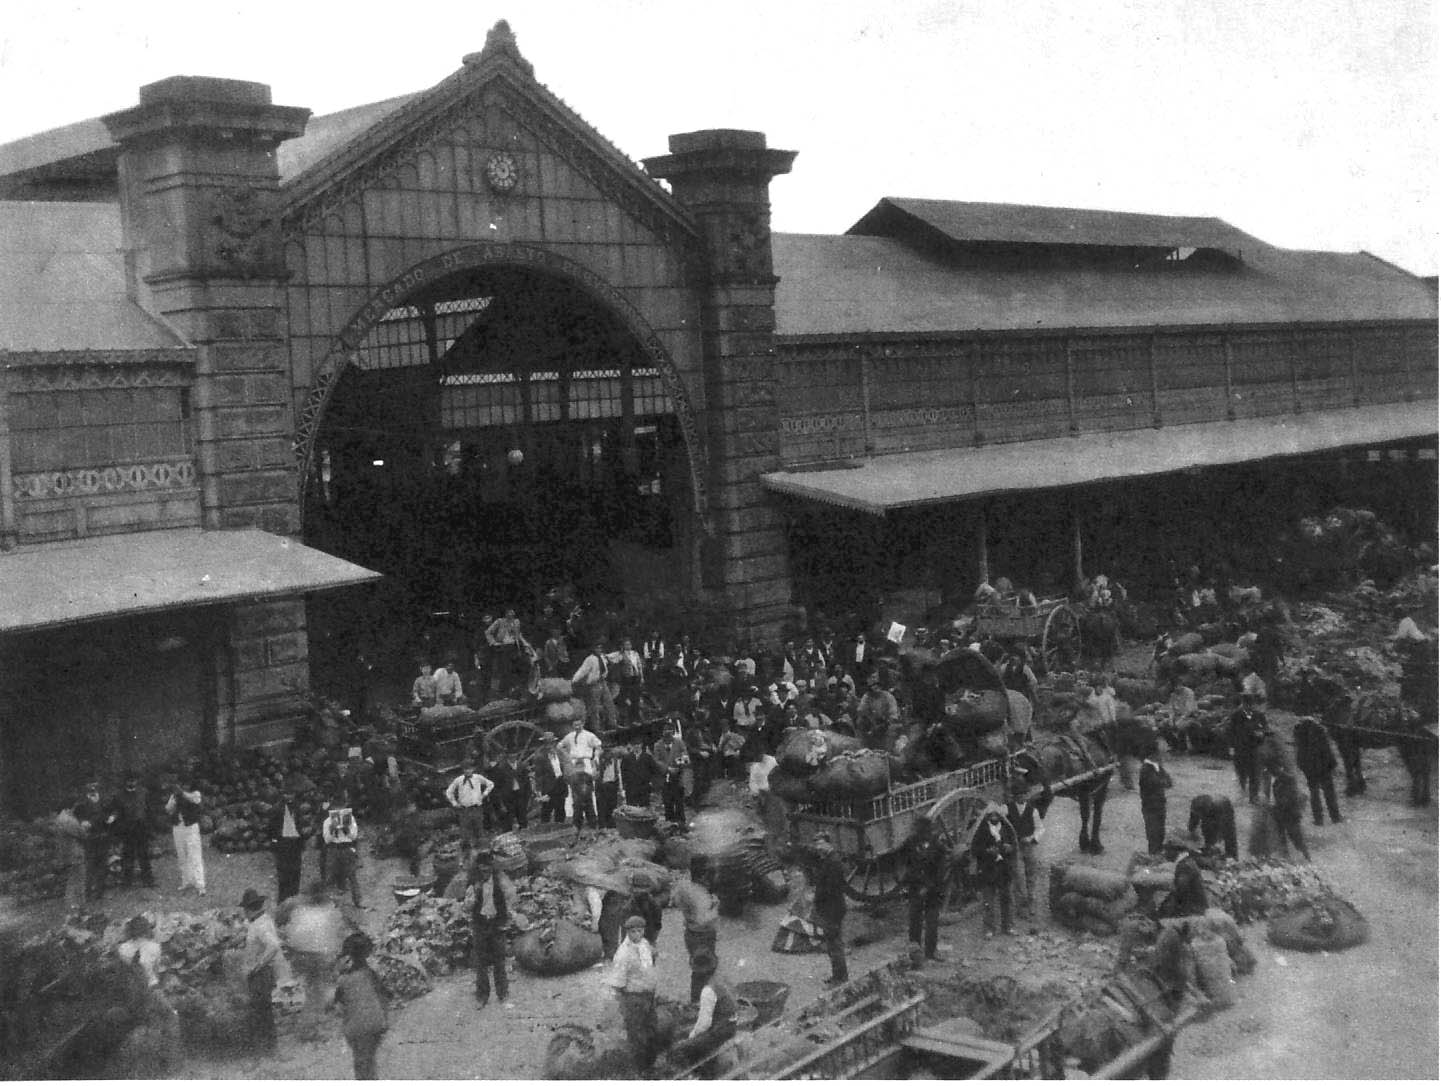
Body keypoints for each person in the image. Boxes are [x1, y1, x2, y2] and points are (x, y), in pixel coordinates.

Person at [279, 881, 345, 1041]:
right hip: (318, 954)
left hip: (298, 951)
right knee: (316, 992)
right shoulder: (329, 910)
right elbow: (336, 933)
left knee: (302, 985)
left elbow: (280, 916)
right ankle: (309, 1029)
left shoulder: (297, 905)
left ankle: (293, 1017)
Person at [331, 932, 389, 1079]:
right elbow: (385, 995)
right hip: (377, 1022)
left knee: (361, 1063)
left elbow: (335, 1002)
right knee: (369, 1061)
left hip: (356, 1027)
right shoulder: (371, 974)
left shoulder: (344, 980)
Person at [668, 948, 738, 1070]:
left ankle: (694, 1073)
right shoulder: (720, 978)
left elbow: (704, 1024)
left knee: (678, 1048)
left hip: (721, 1031)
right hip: (731, 1022)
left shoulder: (708, 990)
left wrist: (690, 1037)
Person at [609, 914, 660, 1070]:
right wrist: (624, 1002)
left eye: (640, 931)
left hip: (648, 996)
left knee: (651, 1029)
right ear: (627, 933)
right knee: (637, 1036)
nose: (637, 935)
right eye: (633, 932)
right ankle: (640, 1070)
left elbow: (652, 956)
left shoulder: (644, 944)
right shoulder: (623, 954)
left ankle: (652, 1064)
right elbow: (617, 982)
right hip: (634, 998)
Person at [899, 814, 951, 961]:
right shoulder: (910, 843)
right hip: (915, 888)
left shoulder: (937, 846)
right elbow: (905, 864)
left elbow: (941, 871)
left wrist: (928, 886)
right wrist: (910, 882)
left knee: (932, 922)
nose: (922, 834)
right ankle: (915, 952)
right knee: (914, 921)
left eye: (924, 831)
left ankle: (931, 952)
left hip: (932, 891)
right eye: (919, 830)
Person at [466, 850, 514, 1009]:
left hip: (497, 924)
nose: (485, 872)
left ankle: (503, 996)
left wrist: (508, 914)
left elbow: (511, 896)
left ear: (492, 867)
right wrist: (472, 896)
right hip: (480, 924)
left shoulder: (500, 881)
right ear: (478, 868)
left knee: (500, 962)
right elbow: (467, 906)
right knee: (481, 963)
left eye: (487, 868)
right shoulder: (473, 883)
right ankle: (482, 997)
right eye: (482, 869)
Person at [670, 861, 720, 1002]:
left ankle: (698, 1000)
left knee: (699, 968)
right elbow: (703, 919)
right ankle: (699, 1002)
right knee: (704, 970)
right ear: (703, 875)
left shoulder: (684, 887)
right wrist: (715, 906)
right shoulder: (700, 895)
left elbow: (675, 900)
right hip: (702, 935)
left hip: (690, 933)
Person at [240, 888, 282, 1054]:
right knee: (265, 1011)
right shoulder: (263, 920)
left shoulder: (259, 926)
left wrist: (258, 965)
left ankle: (264, 1049)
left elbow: (274, 945)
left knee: (260, 1012)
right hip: (264, 973)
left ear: (248, 909)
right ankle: (270, 1047)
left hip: (260, 974)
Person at [1005, 779, 1054, 921]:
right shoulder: (1007, 808)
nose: (1021, 797)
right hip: (1015, 848)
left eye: (1023, 794)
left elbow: (1040, 828)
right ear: (1014, 796)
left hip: (1029, 847)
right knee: (1019, 877)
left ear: (1027, 795)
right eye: (1018, 795)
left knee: (1031, 876)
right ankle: (1021, 908)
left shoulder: (1033, 811)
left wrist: (1032, 838)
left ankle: (1031, 904)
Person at [809, 832, 849, 985]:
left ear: (828, 843)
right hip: (830, 907)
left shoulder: (833, 862)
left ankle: (841, 977)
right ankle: (837, 975)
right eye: (816, 844)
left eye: (820, 844)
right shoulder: (828, 860)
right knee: (832, 944)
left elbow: (830, 888)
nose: (818, 847)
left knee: (835, 945)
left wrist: (817, 897)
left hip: (833, 908)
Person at [970, 808, 1015, 937]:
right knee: (989, 900)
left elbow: (1014, 845)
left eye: (996, 815)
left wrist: (1009, 848)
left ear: (1001, 816)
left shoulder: (1006, 828)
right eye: (991, 815)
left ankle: (1008, 926)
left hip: (1004, 868)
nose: (994, 817)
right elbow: (974, 849)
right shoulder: (982, 831)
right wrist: (987, 852)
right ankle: (989, 928)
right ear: (987, 817)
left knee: (1007, 897)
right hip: (988, 868)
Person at [1293, 715, 1344, 826]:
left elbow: (1298, 752)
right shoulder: (1320, 730)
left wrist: (1302, 766)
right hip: (1323, 765)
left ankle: (1318, 819)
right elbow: (1327, 750)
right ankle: (1335, 817)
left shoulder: (1298, 731)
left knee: (1314, 793)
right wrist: (1333, 764)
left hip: (1309, 767)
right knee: (1329, 792)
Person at [109, 776, 155, 890]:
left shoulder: (143, 792)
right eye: (129, 780)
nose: (132, 782)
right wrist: (113, 818)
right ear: (125, 781)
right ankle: (127, 882)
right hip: (128, 830)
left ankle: (148, 881)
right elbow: (116, 811)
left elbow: (148, 810)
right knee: (128, 856)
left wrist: (150, 827)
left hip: (142, 828)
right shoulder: (119, 796)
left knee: (144, 855)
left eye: (134, 780)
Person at [165, 775, 206, 896]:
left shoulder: (195, 793)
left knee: (195, 855)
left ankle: (200, 885)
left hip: (191, 827)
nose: (183, 786)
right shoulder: (175, 795)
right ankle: (186, 881)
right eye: (182, 785)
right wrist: (173, 802)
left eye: (185, 785)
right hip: (178, 827)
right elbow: (168, 809)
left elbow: (195, 800)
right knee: (182, 855)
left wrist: (182, 793)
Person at [267, 787, 308, 903]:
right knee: (284, 874)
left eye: (291, 794)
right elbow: (271, 829)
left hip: (295, 844)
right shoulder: (276, 809)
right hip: (283, 844)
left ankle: (294, 898)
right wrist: (275, 843)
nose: (289, 796)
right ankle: (283, 900)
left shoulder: (297, 807)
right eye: (287, 794)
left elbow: (300, 825)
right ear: (282, 794)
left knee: (296, 872)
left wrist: (302, 842)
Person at [445, 761, 493, 859]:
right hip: (464, 810)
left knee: (479, 829)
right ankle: (467, 855)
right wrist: (454, 803)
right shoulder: (459, 780)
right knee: (465, 831)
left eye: (469, 769)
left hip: (477, 808)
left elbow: (490, 784)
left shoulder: (478, 778)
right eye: (465, 769)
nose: (468, 771)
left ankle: (481, 855)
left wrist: (484, 794)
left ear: (473, 769)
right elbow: (449, 792)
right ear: (463, 770)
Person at [1227, 692, 1269, 804]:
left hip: (1255, 748)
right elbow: (1230, 732)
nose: (1250, 706)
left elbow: (1266, 729)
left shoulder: (1259, 715)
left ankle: (1253, 797)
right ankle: (1241, 794)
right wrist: (1231, 748)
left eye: (1252, 704)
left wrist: (1262, 734)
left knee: (1255, 773)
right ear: (1243, 704)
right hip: (1240, 748)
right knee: (1241, 773)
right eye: (1247, 704)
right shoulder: (1236, 715)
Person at [321, 801, 365, 908]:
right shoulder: (327, 822)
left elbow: (353, 836)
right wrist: (332, 829)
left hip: (347, 848)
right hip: (334, 849)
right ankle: (331, 902)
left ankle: (357, 900)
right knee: (331, 876)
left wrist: (346, 829)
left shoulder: (351, 819)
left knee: (351, 875)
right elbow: (327, 840)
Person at [73, 782, 110, 902]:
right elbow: (76, 818)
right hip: (90, 839)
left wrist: (112, 817)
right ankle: (87, 894)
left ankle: (99, 893)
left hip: (103, 838)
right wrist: (82, 822)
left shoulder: (103, 804)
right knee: (90, 867)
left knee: (102, 867)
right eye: (90, 793)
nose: (93, 795)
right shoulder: (81, 806)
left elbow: (109, 815)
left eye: (95, 792)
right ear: (86, 794)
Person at [572, 639, 618, 732]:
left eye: (600, 648)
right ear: (593, 649)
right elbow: (582, 670)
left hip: (603, 682)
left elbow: (614, 656)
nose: (599, 649)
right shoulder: (590, 659)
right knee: (594, 706)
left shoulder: (603, 657)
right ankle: (596, 728)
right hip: (594, 684)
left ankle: (612, 723)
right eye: (597, 648)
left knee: (609, 703)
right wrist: (574, 680)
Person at [1139, 745, 1173, 855]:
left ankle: (1156, 853)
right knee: (1153, 833)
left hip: (1159, 804)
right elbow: (1158, 783)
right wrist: (1162, 781)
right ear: (1155, 755)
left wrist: (1162, 781)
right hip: (1150, 806)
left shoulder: (1157, 767)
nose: (1163, 756)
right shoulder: (1146, 769)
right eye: (1161, 753)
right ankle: (1153, 854)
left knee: (1160, 832)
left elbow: (1169, 782)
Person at [485, 608, 527, 697]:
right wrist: (493, 643)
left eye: (512, 612)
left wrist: (525, 644)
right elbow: (488, 632)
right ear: (506, 613)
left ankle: (515, 690)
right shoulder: (500, 621)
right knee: (504, 669)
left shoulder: (516, 622)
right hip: (503, 647)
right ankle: (502, 692)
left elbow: (518, 634)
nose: (511, 614)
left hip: (514, 647)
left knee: (515, 669)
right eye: (509, 612)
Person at [1270, 770, 1312, 860]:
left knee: (1296, 838)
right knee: (1282, 838)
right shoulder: (1275, 781)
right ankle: (1286, 856)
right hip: (1280, 813)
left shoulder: (1287, 780)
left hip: (1288, 814)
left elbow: (1290, 799)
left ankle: (1305, 857)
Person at [116, 914, 163, 989]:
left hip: (131, 985)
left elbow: (123, 970)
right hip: (151, 984)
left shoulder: (123, 948)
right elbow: (156, 969)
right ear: (147, 930)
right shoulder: (155, 947)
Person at [1186, 794, 1238, 859]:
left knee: (1228, 831)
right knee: (1208, 831)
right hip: (1214, 805)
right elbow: (1193, 821)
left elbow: (1216, 828)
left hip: (1223, 807)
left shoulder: (1214, 809)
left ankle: (1231, 855)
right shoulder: (1195, 805)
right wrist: (1191, 832)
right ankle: (1209, 850)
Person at [1165, 841, 1209, 917]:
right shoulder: (1187, 862)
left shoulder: (1184, 866)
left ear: (1176, 851)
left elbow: (1181, 889)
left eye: (1167, 850)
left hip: (1193, 911)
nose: (1165, 853)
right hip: (1195, 908)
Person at [532, 735, 569, 823]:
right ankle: (545, 829)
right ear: (544, 744)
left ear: (554, 743)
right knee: (547, 809)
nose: (549, 745)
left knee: (560, 808)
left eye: (551, 743)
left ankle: (560, 826)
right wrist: (539, 789)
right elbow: (538, 774)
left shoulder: (559, 753)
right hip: (548, 785)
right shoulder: (540, 757)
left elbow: (565, 766)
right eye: (547, 743)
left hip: (560, 783)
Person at [855, 675, 900, 749]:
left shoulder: (888, 696)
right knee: (860, 721)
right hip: (871, 722)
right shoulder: (867, 696)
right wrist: (871, 721)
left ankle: (888, 749)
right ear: (869, 688)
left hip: (886, 723)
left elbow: (893, 715)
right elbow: (860, 711)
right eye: (872, 685)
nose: (876, 687)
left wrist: (884, 723)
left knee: (894, 728)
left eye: (877, 684)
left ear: (881, 685)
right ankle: (863, 746)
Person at [613, 638, 646, 724]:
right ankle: (628, 718)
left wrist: (641, 677)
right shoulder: (620, 655)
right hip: (627, 678)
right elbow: (612, 658)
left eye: (629, 644)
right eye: (626, 645)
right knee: (627, 697)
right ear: (623, 646)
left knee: (636, 697)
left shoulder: (635, 654)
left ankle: (636, 717)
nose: (628, 646)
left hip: (636, 677)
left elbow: (639, 666)